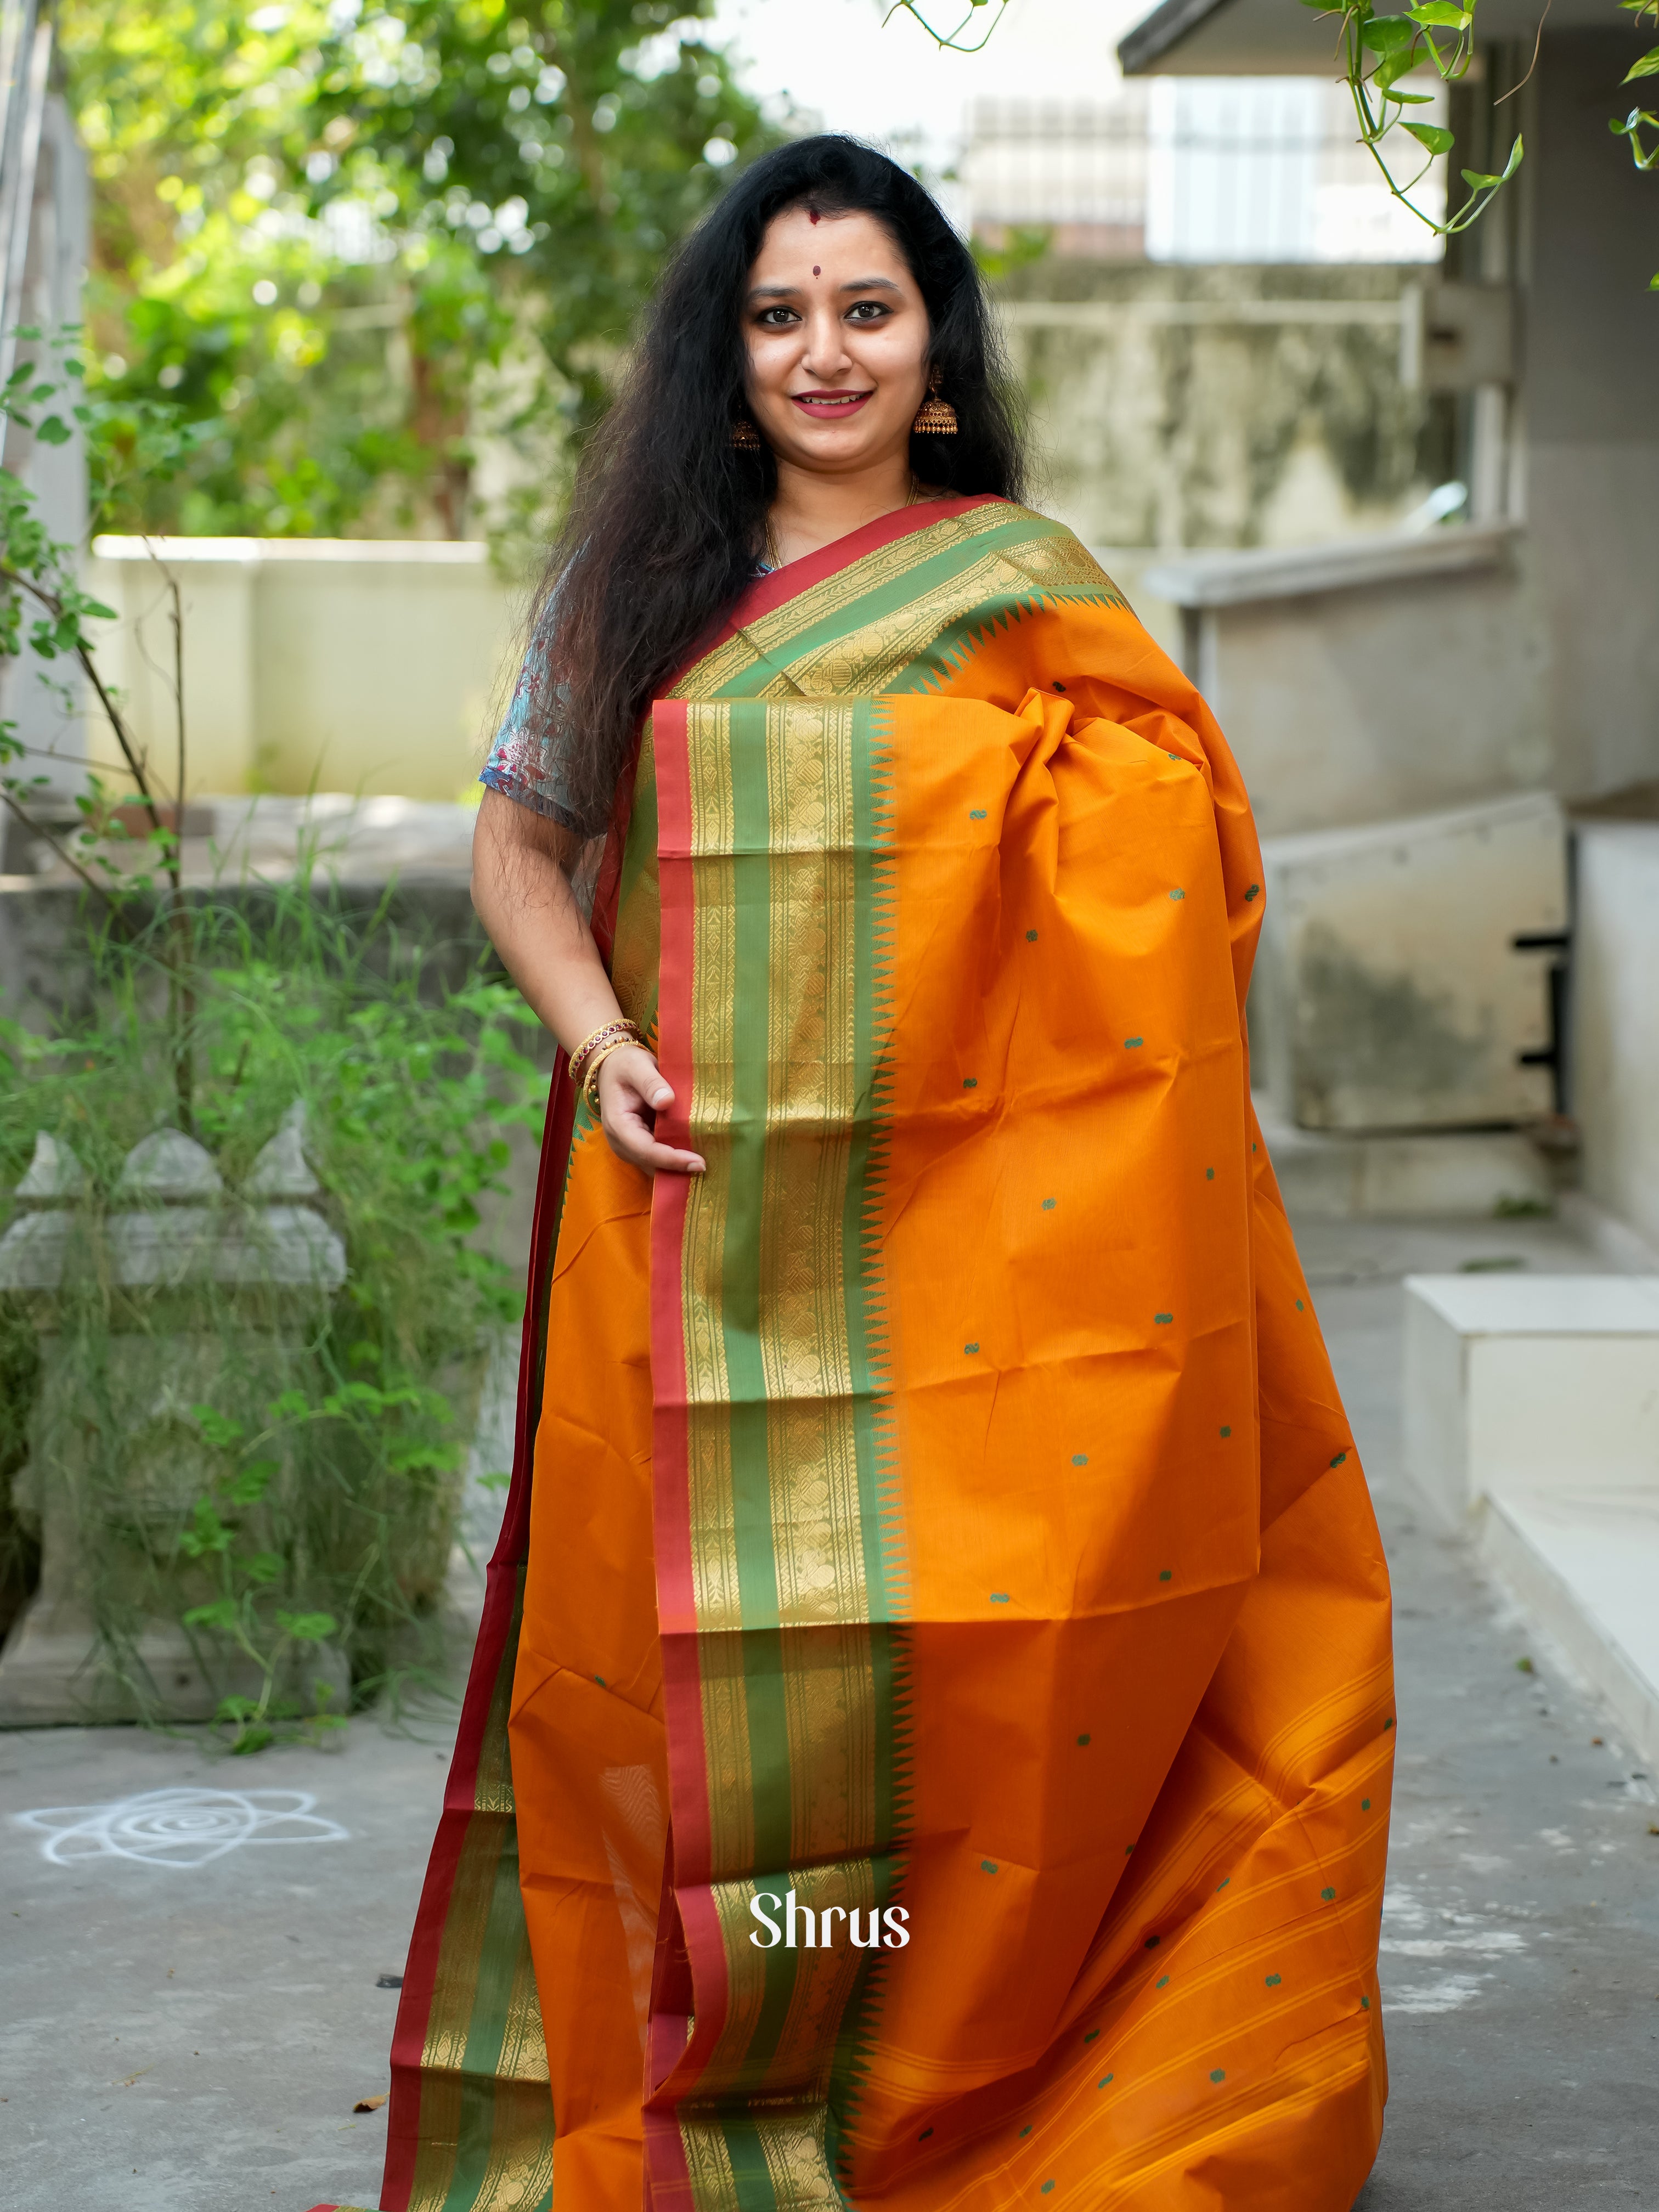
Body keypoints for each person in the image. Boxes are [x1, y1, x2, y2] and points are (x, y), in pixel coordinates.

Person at [330, 134, 1395, 2212]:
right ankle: (737, 2050)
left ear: (937, 356)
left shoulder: (1029, 597)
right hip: (694, 1209)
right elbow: (517, 850)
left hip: (982, 1263)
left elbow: (1178, 891)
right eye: (779, 314)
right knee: (698, 1678)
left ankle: (966, 2057)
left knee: (980, 1667)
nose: (826, 350)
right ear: (731, 363)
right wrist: (606, 1038)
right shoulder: (636, 590)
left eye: (868, 309)